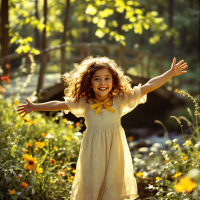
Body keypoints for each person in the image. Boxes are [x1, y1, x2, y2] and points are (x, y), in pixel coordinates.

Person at [17, 56, 188, 200]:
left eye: (107, 78)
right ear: (89, 83)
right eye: (97, 79)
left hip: (115, 149)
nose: (102, 82)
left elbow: (149, 86)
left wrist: (171, 73)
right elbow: (59, 104)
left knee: (113, 185)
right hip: (93, 151)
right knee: (93, 183)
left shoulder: (120, 99)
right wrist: (35, 106)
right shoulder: (85, 102)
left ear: (114, 81)